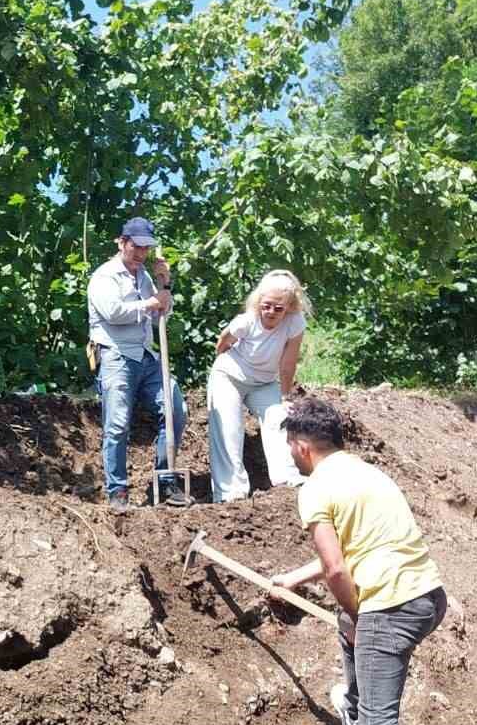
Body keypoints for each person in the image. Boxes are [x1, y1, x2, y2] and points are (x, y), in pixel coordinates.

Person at [269, 398, 448, 725]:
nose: (290, 454)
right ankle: (351, 710)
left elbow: (335, 569)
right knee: (350, 627)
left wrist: (359, 612)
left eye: (290, 446)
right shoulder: (368, 474)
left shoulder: (314, 490)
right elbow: (356, 551)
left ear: (302, 447)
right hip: (429, 598)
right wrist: (293, 579)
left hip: (390, 609)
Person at [86, 216, 189, 512]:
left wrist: (165, 284)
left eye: (146, 248)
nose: (141, 254)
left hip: (146, 355)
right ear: (122, 242)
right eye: (137, 247)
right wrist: (151, 303)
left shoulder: (145, 277)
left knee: (174, 410)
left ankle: (166, 479)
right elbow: (114, 312)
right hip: (115, 355)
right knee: (117, 424)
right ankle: (117, 491)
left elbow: (161, 315)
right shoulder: (104, 276)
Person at [207, 269, 312, 503]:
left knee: (279, 418)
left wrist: (284, 396)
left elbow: (288, 362)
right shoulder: (247, 320)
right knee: (228, 429)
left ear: (290, 306)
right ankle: (230, 492)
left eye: (279, 308)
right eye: (267, 305)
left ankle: (286, 479)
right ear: (259, 301)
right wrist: (224, 368)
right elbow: (222, 344)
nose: (271, 312)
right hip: (229, 376)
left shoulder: (295, 323)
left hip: (264, 382)